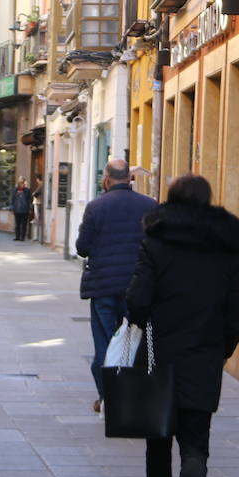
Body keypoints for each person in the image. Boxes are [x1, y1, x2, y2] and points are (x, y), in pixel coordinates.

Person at [126, 174, 239, 477]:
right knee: (196, 448)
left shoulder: (157, 240)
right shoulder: (226, 248)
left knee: (158, 443)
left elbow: (138, 302)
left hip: (160, 353)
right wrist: (219, 352)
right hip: (203, 356)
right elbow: (234, 314)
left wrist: (144, 319)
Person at [76, 159, 158, 414]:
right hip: (138, 287)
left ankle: (106, 396)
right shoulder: (150, 206)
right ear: (129, 179)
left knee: (105, 342)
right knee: (136, 340)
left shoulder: (96, 207)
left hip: (103, 287)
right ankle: (132, 396)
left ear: (107, 179)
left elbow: (82, 247)